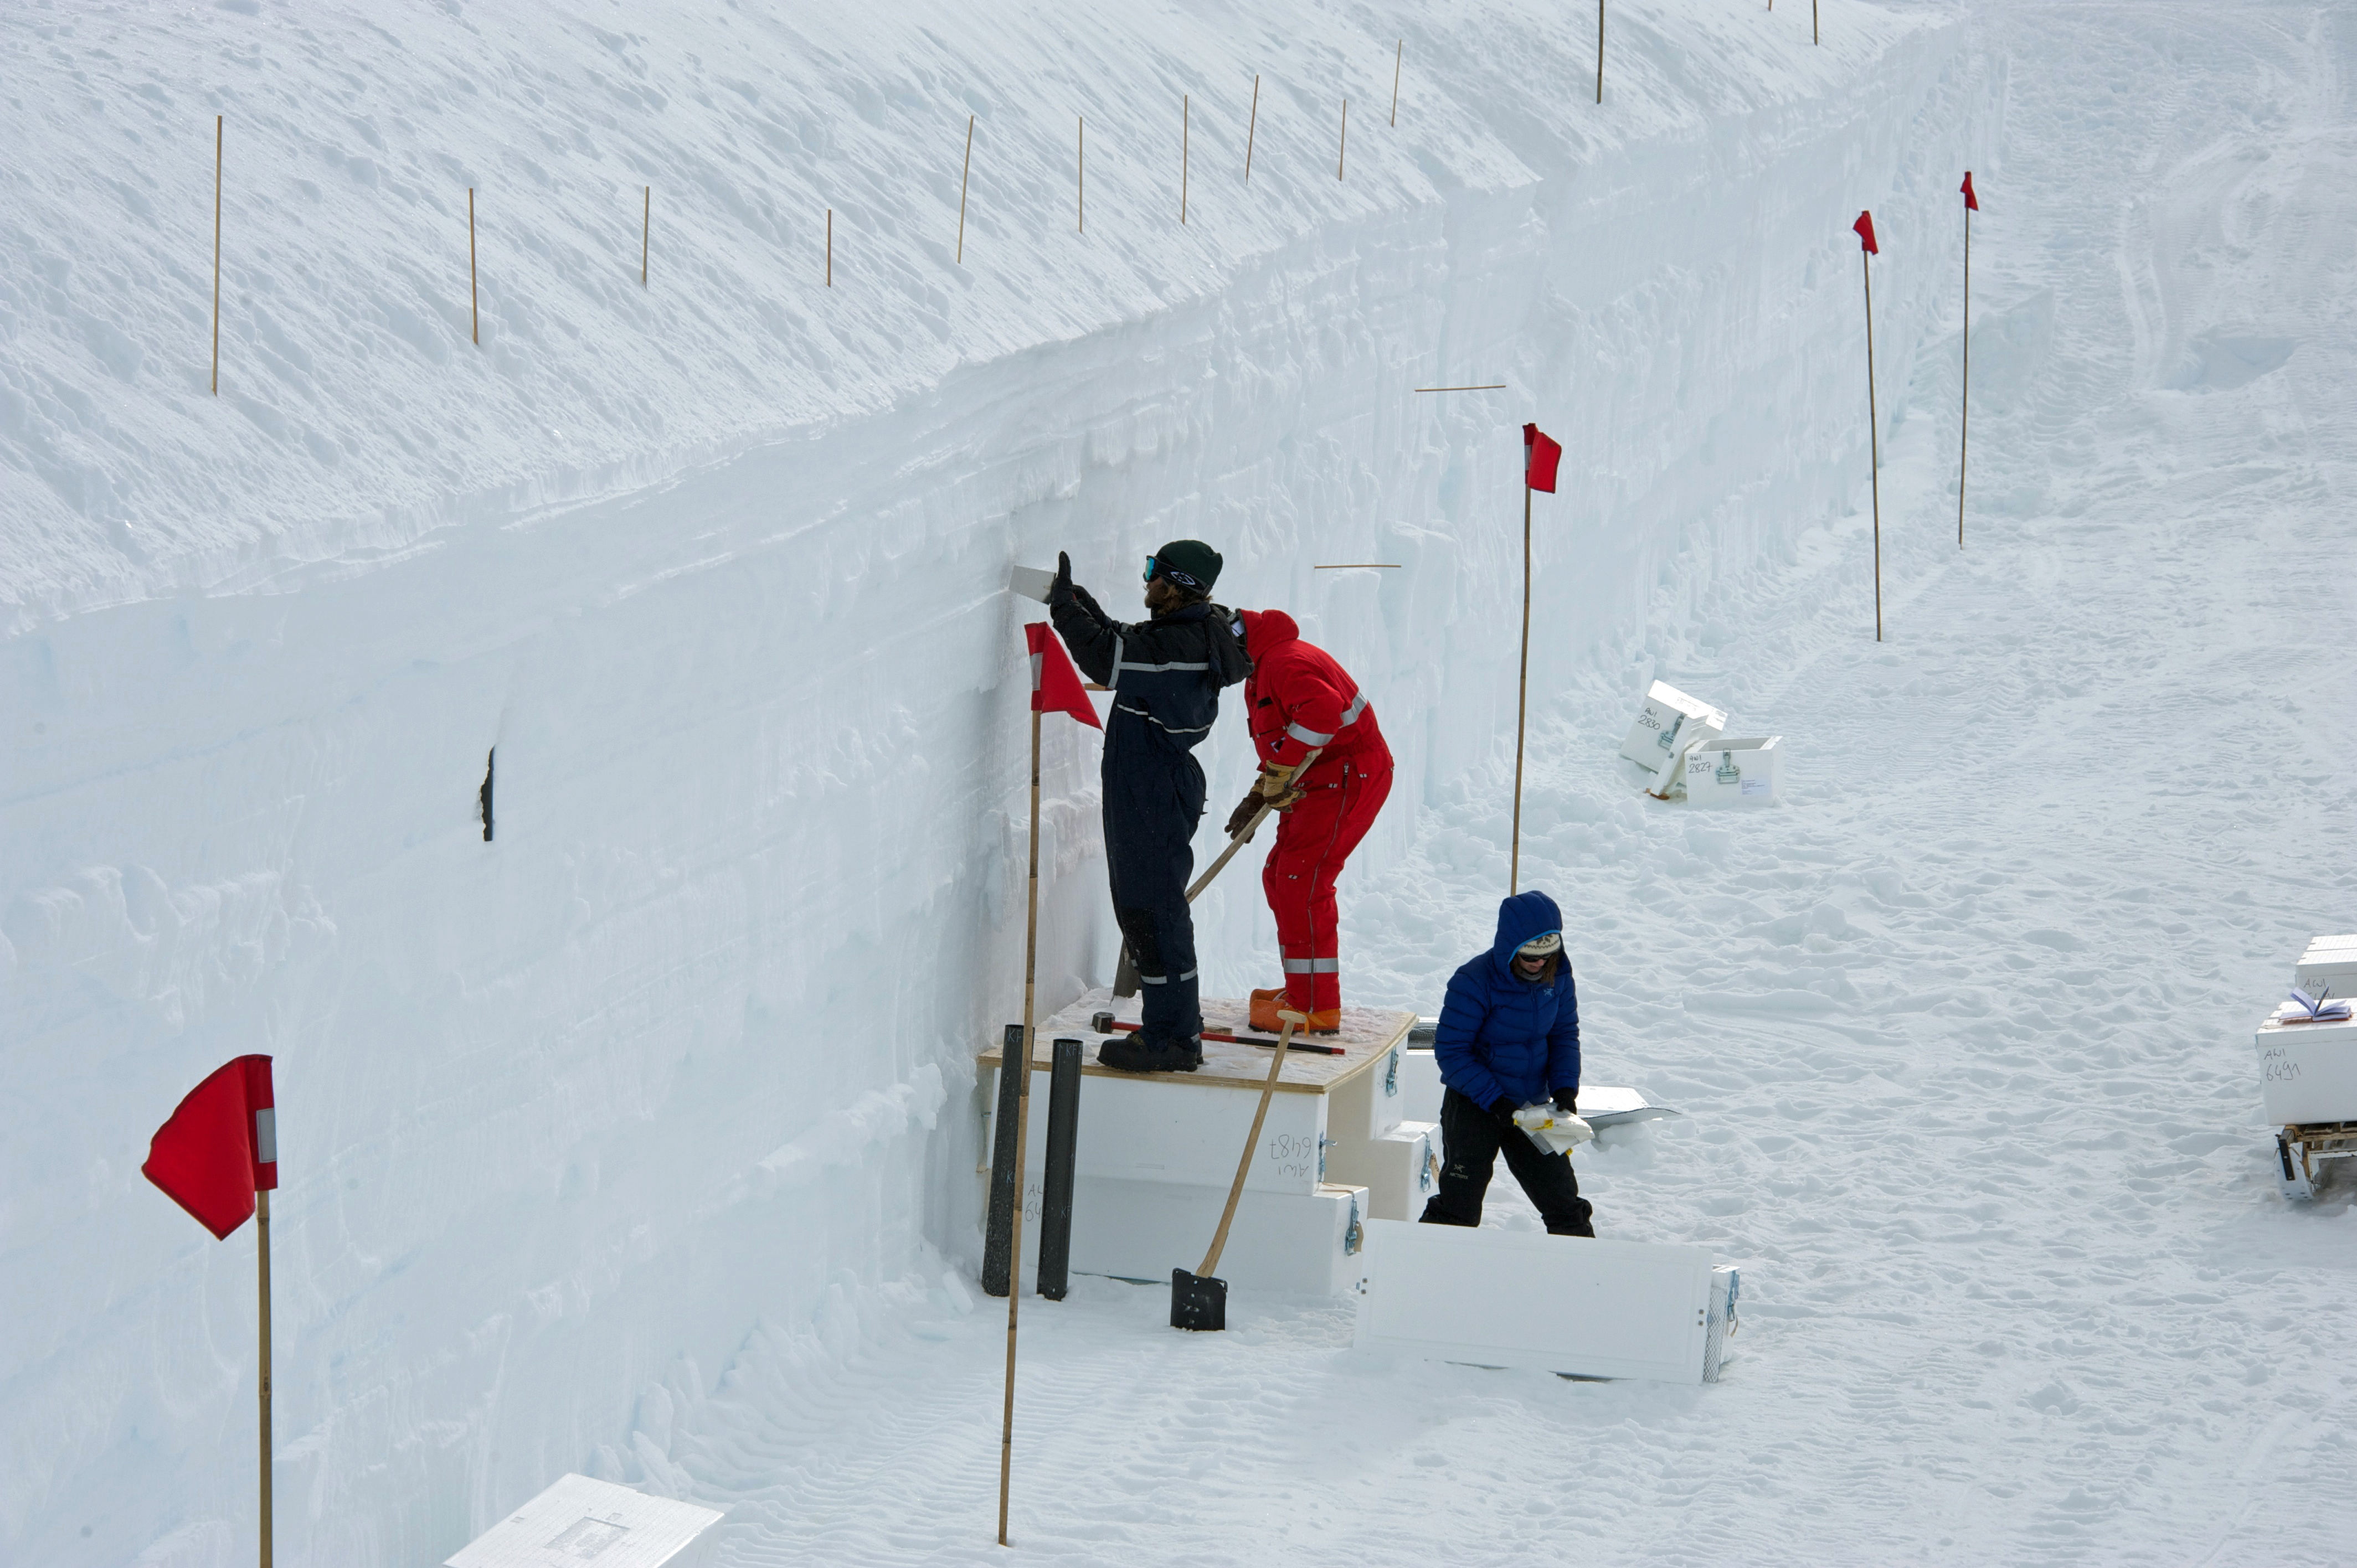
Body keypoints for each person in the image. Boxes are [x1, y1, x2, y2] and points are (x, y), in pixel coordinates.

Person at [1048, 540, 1249, 1072]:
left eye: (1153, 572)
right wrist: (1082, 605)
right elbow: (1126, 641)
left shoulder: (1184, 646)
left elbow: (1108, 659)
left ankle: (1172, 1037)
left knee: (1154, 915)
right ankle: (1174, 1026)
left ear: (1177, 583)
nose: (1146, 581)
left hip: (1154, 791)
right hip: (1147, 785)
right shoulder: (1180, 634)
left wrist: (1064, 610)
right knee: (1146, 911)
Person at [1223, 610, 1393, 1034]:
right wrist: (1260, 792)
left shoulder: (1283, 662)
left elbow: (1322, 712)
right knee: (1280, 876)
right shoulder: (1262, 669)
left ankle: (1316, 1007)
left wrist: (1279, 773)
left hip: (1348, 775)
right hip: (1321, 779)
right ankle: (1303, 989)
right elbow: (1287, 736)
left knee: (1304, 880)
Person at [1418, 889, 1595, 1236]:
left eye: (1547, 956)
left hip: (1532, 1107)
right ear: (1511, 948)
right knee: (1459, 1209)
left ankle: (1583, 1280)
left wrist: (1564, 1086)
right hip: (1474, 1105)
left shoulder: (1558, 977)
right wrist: (1493, 1100)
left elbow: (1563, 1034)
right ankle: (1417, 1273)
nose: (1539, 964)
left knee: (1564, 1204)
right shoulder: (1474, 981)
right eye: (1530, 956)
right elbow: (1452, 1051)